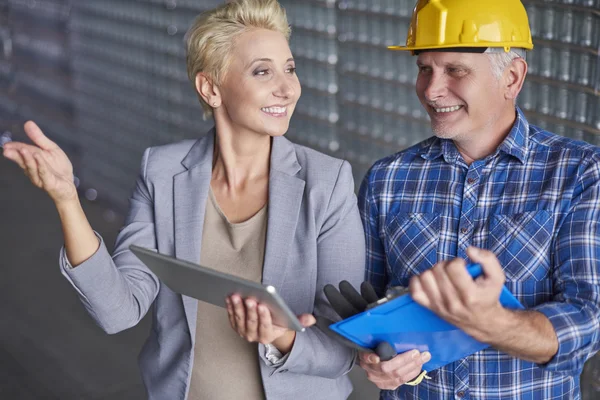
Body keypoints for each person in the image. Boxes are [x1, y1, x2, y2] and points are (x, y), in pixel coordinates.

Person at [1, 0, 366, 399]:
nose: (288, 87)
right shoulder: (162, 171)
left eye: (290, 68)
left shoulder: (327, 183)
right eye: (263, 71)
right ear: (210, 88)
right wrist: (67, 198)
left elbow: (343, 349)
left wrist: (281, 337)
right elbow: (118, 310)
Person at [356, 0, 600, 398]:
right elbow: (370, 309)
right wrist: (374, 357)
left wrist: (493, 323)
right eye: (424, 69)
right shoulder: (388, 179)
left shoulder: (579, 173)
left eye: (455, 70)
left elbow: (590, 320)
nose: (432, 90)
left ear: (512, 78)